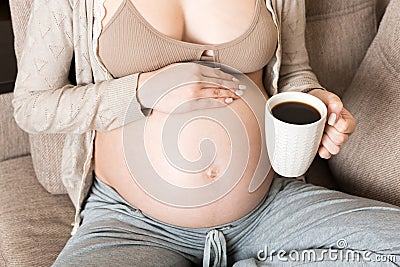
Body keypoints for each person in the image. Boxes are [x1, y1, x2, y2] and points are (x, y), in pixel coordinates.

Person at [12, 0, 400, 266]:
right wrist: (140, 90)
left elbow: (295, 74)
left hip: (268, 208)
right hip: (132, 224)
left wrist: (319, 105)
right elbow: (30, 105)